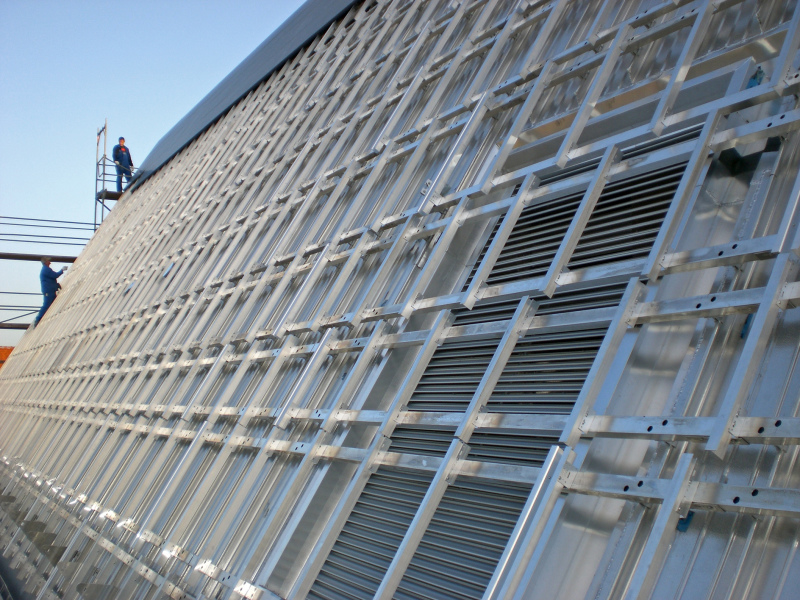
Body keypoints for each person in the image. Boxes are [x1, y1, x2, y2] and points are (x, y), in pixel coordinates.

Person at [34, 257, 67, 326]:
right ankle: (38, 319)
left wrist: (56, 285)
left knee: (52, 304)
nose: (50, 262)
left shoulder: (46, 269)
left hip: (50, 290)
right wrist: (62, 270)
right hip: (48, 291)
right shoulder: (46, 270)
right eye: (48, 261)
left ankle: (42, 319)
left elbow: (51, 279)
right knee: (46, 305)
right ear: (45, 262)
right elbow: (55, 275)